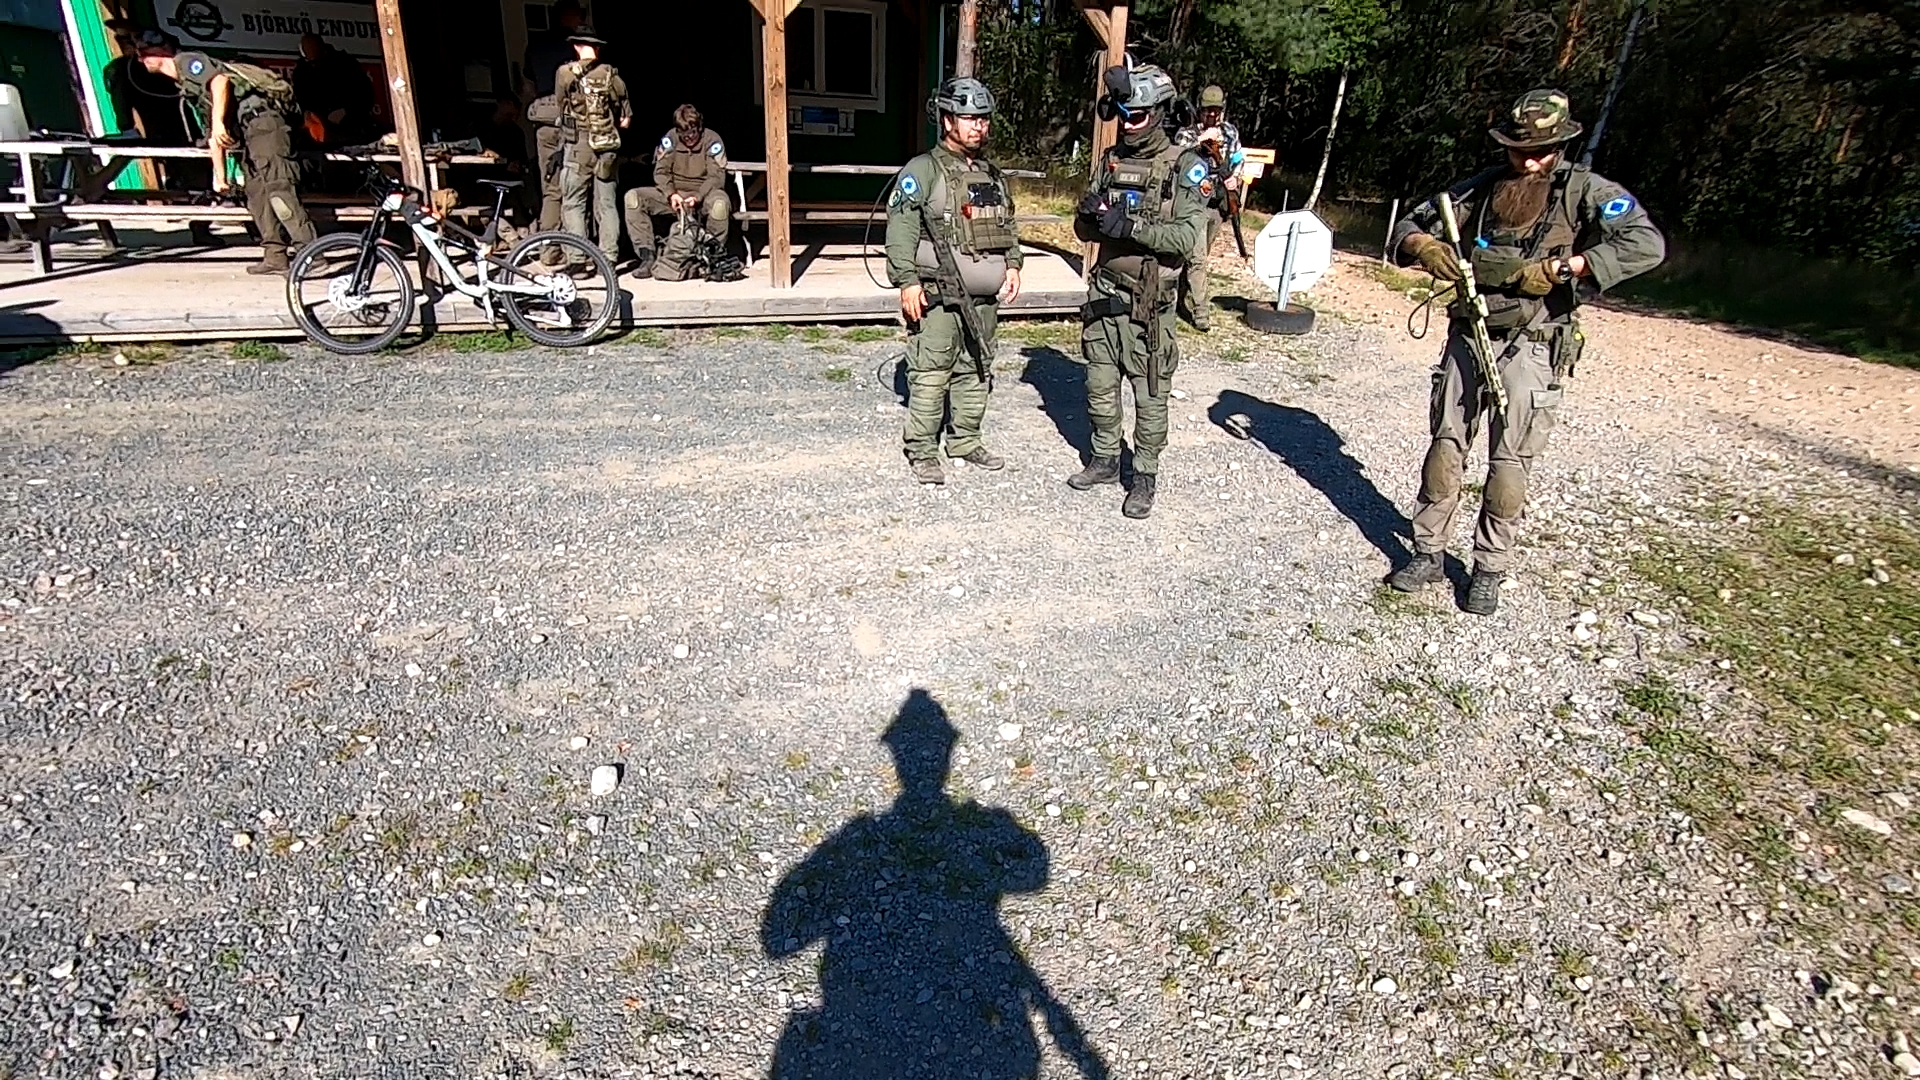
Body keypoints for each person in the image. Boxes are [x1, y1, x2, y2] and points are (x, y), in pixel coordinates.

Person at [1386, 89, 1665, 615]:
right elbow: (1409, 225)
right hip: (1469, 335)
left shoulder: (1585, 191)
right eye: (1519, 151)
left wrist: (1569, 268)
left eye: (1540, 151)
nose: (1529, 161)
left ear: (1561, 146)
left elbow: (1645, 244)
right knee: (1445, 447)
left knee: (1509, 464)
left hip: (1533, 344)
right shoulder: (1481, 188)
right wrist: (1425, 247)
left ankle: (1489, 567)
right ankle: (1427, 552)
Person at [1068, 64, 1206, 519]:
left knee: (1150, 394)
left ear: (1161, 112)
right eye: (1124, 114)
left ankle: (1144, 476)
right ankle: (1105, 459)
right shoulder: (1111, 161)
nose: (1129, 123)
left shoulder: (1185, 167)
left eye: (1139, 115)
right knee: (1099, 385)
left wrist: (1130, 228)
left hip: (1149, 305)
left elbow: (1185, 239)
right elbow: (1083, 229)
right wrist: (1092, 218)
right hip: (1104, 296)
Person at [883, 77, 1023, 486]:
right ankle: (923, 450)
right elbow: (901, 228)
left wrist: (1013, 264)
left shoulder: (992, 174)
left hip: (984, 300)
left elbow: (1007, 225)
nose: (979, 126)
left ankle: (965, 441)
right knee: (931, 372)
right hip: (938, 296)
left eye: (983, 118)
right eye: (969, 118)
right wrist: (907, 281)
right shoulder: (923, 170)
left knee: (976, 368)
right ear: (947, 121)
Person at [137, 38, 315, 276]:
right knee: (257, 194)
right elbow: (214, 134)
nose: (140, 57)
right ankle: (275, 256)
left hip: (264, 123)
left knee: (278, 189)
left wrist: (220, 124)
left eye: (145, 50)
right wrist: (219, 178)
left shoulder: (187, 61)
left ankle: (312, 254)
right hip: (249, 131)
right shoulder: (186, 83)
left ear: (164, 50)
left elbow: (220, 80)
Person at [622, 104, 730, 280]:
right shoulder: (670, 139)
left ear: (699, 127)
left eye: (693, 132)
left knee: (720, 205)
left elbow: (716, 177)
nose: (689, 137)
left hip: (703, 194)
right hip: (675, 195)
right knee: (633, 198)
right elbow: (661, 172)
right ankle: (647, 256)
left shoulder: (712, 140)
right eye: (684, 134)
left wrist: (698, 197)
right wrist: (671, 194)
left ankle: (712, 256)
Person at [553, 27, 630, 269]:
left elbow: (560, 105)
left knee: (573, 203)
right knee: (607, 204)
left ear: (576, 46)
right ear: (597, 48)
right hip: (607, 146)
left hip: (578, 146)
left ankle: (577, 259)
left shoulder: (565, 73)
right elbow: (625, 119)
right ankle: (608, 259)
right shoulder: (612, 76)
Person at [1174, 84, 1244, 332]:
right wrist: (1200, 143)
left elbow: (1238, 159)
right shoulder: (1187, 134)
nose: (1212, 115)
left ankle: (1178, 297)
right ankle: (1201, 312)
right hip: (1193, 204)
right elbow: (1177, 160)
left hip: (1217, 205)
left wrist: (1235, 177)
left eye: (1216, 110)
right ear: (1200, 110)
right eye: (1207, 110)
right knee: (1198, 259)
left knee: (1196, 257)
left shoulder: (1230, 133)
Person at [522, 0, 586, 239]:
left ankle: (548, 246)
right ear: (569, 16)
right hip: (569, 116)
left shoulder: (536, 44)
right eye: (579, 16)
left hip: (543, 118)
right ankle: (576, 246)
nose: (581, 20)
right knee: (575, 186)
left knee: (551, 188)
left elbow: (528, 86)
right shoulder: (576, 45)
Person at [291, 33, 376, 148]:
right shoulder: (302, 70)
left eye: (316, 61)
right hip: (318, 131)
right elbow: (301, 96)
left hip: (349, 130)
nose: (313, 64)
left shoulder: (345, 65)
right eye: (309, 61)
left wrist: (347, 110)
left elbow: (366, 95)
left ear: (323, 50)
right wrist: (305, 112)